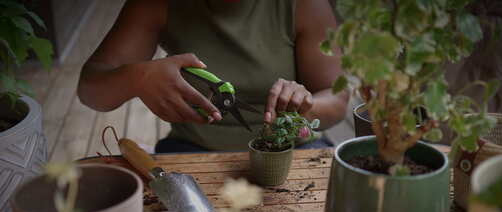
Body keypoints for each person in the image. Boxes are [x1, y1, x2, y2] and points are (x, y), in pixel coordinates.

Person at [78, 0, 349, 152]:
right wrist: (136, 77)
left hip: (292, 149)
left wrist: (306, 105)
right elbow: (90, 89)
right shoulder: (155, 5)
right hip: (193, 148)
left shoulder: (304, 5)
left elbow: (336, 100)